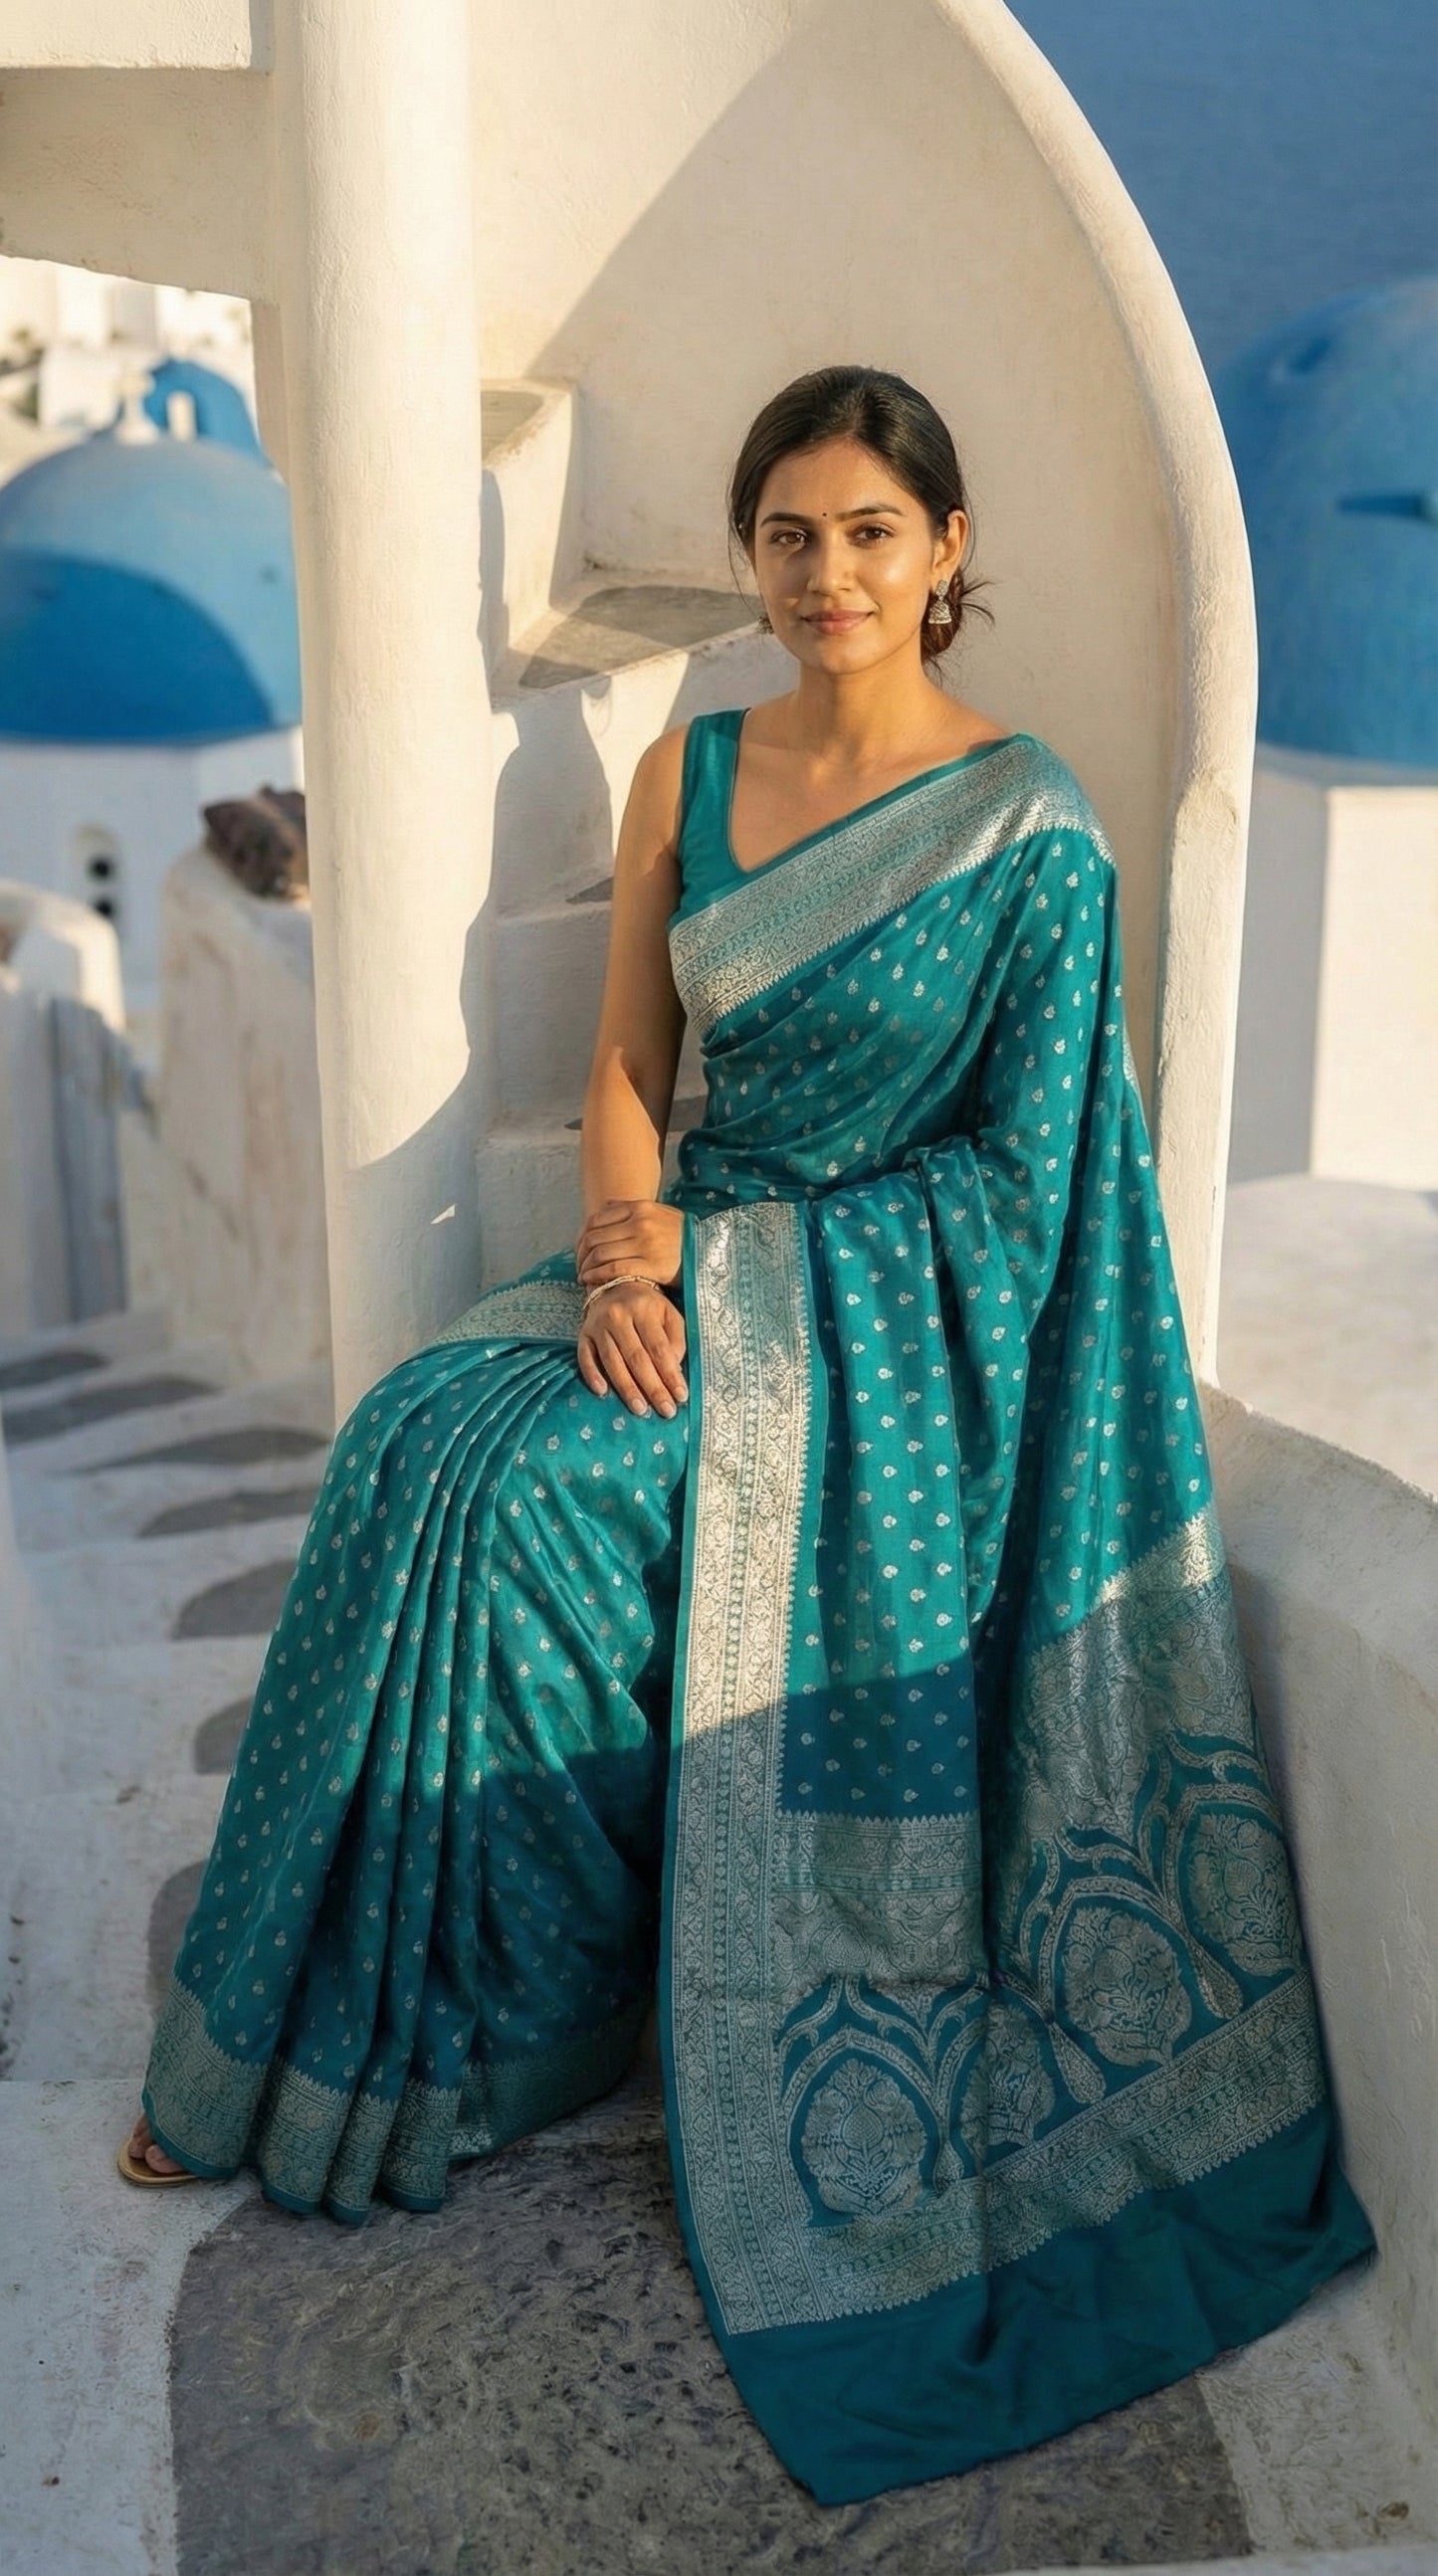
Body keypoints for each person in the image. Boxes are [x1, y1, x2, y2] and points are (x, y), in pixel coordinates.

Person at [119, 365, 1372, 2503]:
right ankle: (337, 2017)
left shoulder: (1030, 829)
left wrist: (734, 1295)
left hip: (881, 1364)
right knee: (418, 1435)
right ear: (755, 555)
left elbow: (1018, 1189)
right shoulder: (689, 775)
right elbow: (629, 1056)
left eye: (873, 531)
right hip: (682, 1265)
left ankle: (498, 2036)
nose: (828, 574)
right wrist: (624, 1261)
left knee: (534, 1501)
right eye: (790, 535)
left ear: (947, 552)